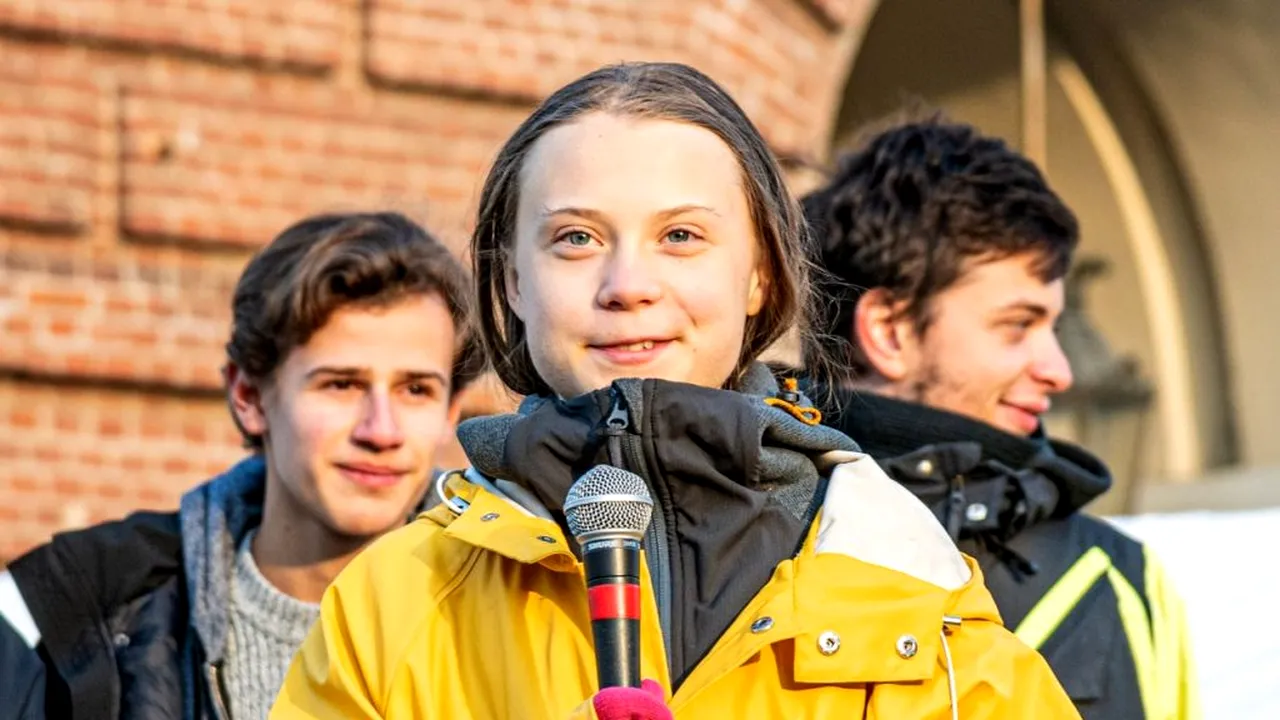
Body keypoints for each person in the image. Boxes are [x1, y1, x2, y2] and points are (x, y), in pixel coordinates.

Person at [271, 62, 1079, 719]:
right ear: (513, 281)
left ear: (759, 272)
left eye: (681, 236)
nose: (628, 284)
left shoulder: (915, 591)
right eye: (576, 238)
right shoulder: (395, 604)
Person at [0, 212, 476, 719]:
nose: (381, 431)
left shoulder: (521, 615)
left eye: (416, 390)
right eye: (341, 384)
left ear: (451, 412)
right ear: (249, 396)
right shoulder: (68, 618)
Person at [801, 117, 1198, 720]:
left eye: (1053, 328)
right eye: (1018, 325)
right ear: (890, 330)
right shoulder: (746, 544)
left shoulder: (1125, 582)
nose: (1060, 371)